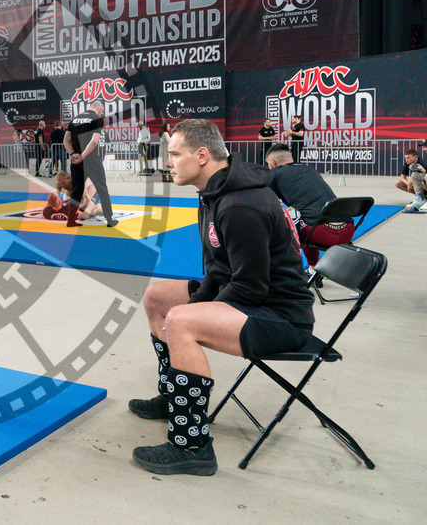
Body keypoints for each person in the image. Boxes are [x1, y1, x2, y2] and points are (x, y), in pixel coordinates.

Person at [130, 119, 314, 476]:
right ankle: (174, 399)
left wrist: (191, 314)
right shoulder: (218, 192)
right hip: (257, 296)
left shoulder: (240, 205)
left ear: (202, 155)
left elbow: (249, 288)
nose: (168, 161)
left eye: (174, 153)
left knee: (180, 322)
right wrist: (195, 302)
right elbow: (220, 269)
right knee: (157, 297)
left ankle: (191, 446)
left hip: (281, 316)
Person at [265, 144, 354, 266]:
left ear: (272, 162)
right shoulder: (310, 169)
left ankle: (287, 270)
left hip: (321, 232)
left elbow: (270, 204)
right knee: (306, 216)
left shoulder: (274, 174)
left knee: (287, 220)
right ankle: (313, 269)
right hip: (348, 230)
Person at [64, 101, 117, 227]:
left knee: (76, 191)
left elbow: (65, 140)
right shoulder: (97, 119)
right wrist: (83, 156)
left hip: (76, 162)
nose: (102, 113)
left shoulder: (75, 120)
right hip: (92, 161)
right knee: (102, 189)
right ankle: (109, 220)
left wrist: (73, 154)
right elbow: (94, 141)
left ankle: (71, 221)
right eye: (102, 111)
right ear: (99, 108)